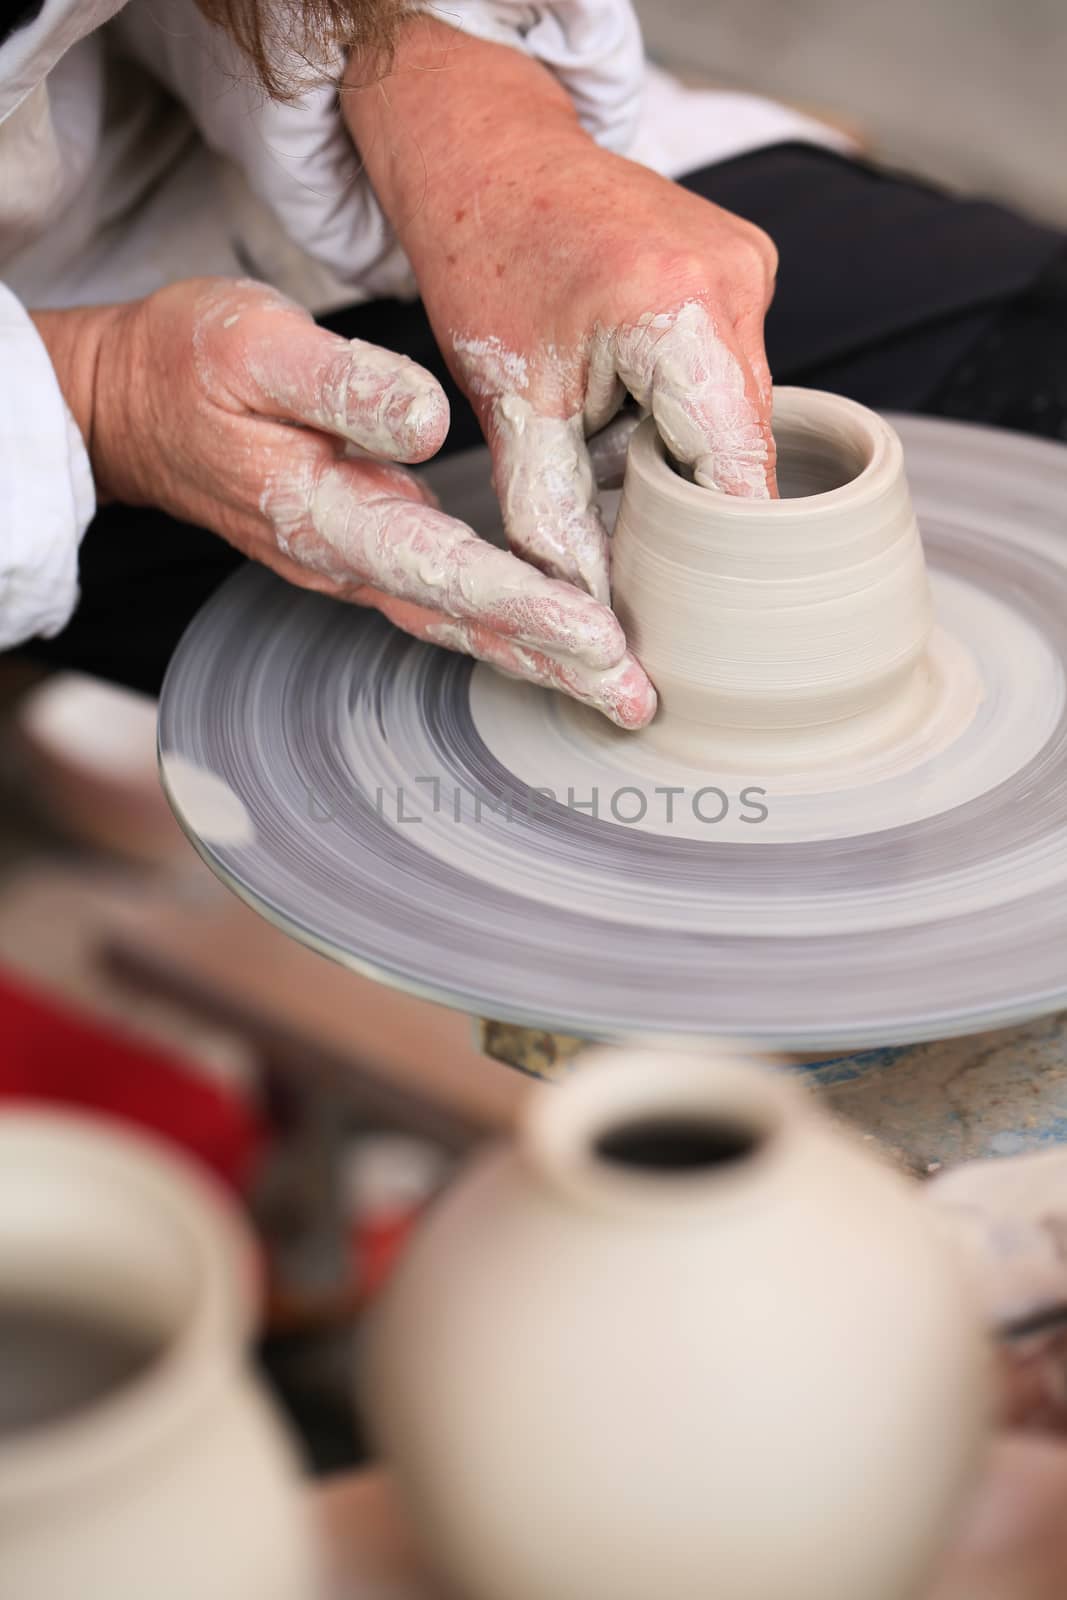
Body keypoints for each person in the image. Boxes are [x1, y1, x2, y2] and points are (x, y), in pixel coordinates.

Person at [3, 7, 1067, 1588]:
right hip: (48, 358)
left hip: (212, 128)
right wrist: (94, 399)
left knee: (1023, 346)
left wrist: (456, 89)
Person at [3, 0, 1063, 717]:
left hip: (256, 110)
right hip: (60, 379)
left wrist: (458, 95)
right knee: (373, 728)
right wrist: (104, 391)